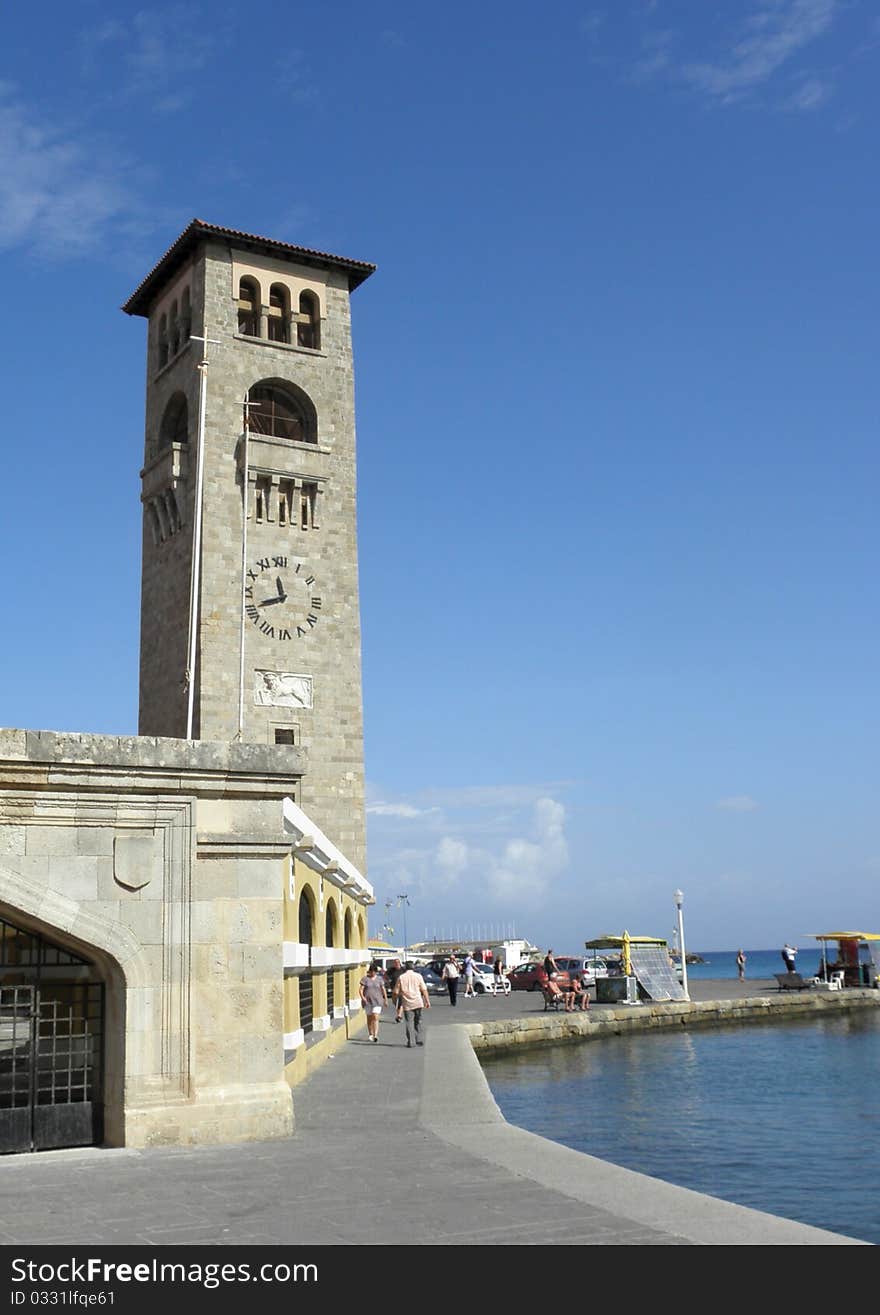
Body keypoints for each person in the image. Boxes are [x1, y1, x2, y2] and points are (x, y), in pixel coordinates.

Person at [393, 960, 431, 1047]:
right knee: (417, 1021)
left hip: (406, 1003)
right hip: (418, 1001)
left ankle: (410, 1041)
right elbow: (424, 989)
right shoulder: (418, 976)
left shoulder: (401, 977)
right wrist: (427, 1001)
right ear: (413, 967)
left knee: (408, 1022)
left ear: (405, 968)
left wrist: (395, 1001)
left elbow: (395, 991)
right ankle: (418, 1039)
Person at [359, 962, 387, 1042]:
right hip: (367, 1001)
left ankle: (375, 1035)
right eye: (371, 971)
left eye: (374, 971)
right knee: (369, 1017)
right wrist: (363, 997)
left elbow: (383, 989)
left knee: (375, 1016)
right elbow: (361, 989)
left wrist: (385, 999)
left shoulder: (379, 979)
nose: (372, 973)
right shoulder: (365, 979)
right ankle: (370, 1033)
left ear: (376, 972)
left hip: (377, 1001)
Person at [385, 958, 403, 1022]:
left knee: (400, 1002)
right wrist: (388, 981)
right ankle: (399, 1014)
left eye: (397, 962)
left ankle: (399, 1015)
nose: (396, 964)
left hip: (402, 989)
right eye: (395, 962)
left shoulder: (403, 969)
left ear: (399, 963)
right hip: (393, 988)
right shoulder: (391, 970)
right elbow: (385, 976)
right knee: (395, 1002)